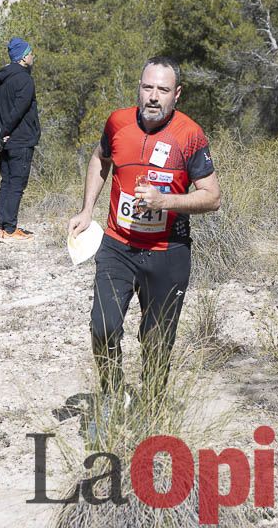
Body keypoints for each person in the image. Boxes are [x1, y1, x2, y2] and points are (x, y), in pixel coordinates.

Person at [67, 57, 221, 409]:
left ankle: (151, 410)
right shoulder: (118, 122)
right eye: (147, 87)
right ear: (139, 88)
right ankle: (112, 391)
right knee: (103, 327)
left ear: (176, 94)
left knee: (157, 341)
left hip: (168, 251)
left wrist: (164, 201)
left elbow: (213, 197)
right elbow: (99, 159)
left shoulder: (190, 135)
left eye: (163, 90)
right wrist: (87, 209)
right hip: (118, 245)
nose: (153, 96)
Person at [0, 37, 40, 243]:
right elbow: (19, 111)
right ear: (24, 57)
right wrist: (5, 131)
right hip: (21, 139)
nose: (33, 56)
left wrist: (0, 133)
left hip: (6, 140)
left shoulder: (0, 80)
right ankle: (9, 230)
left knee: (7, 181)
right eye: (31, 53)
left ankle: (2, 226)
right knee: (17, 183)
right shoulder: (25, 80)